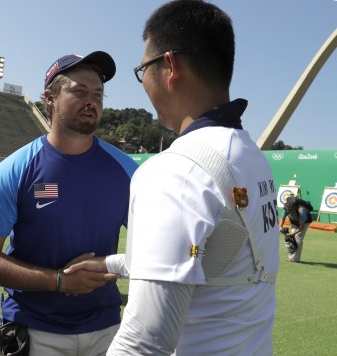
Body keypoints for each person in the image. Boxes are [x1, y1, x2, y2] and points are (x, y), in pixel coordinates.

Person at [65, 1, 280, 355]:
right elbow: (212, 259)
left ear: (169, 67)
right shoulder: (252, 155)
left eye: (142, 69)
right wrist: (110, 264)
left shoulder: (174, 170)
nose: (143, 82)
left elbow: (146, 340)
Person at [0, 51, 138, 356]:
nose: (91, 101)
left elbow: (157, 246)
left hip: (107, 328)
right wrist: (58, 281)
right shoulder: (17, 168)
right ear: (50, 98)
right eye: (79, 91)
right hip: (35, 328)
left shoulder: (127, 170)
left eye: (98, 94)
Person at [281, 195, 312, 262]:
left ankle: (296, 259)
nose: (289, 213)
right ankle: (291, 257)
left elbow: (301, 227)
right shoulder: (286, 208)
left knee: (298, 237)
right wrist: (280, 227)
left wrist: (293, 233)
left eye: (290, 211)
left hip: (305, 222)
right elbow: (283, 218)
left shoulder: (302, 211)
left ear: (294, 208)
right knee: (292, 238)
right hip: (295, 221)